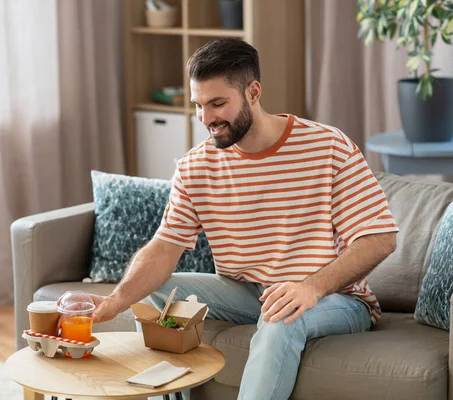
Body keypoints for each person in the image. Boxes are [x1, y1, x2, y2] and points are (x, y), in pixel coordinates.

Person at [81, 38, 398, 399]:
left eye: (218, 104)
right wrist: (114, 301)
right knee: (159, 289)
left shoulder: (328, 147)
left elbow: (380, 238)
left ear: (253, 91)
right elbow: (165, 247)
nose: (206, 119)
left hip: (335, 298)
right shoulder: (194, 167)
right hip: (250, 293)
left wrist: (310, 287)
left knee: (281, 317)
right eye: (198, 106)